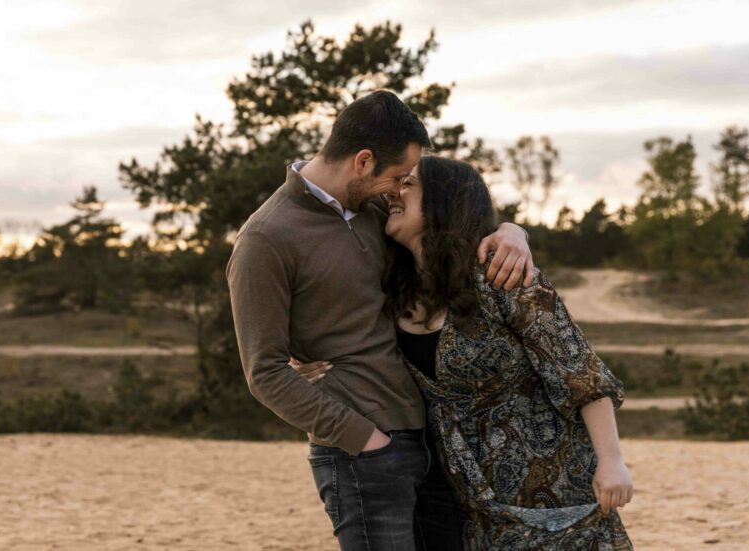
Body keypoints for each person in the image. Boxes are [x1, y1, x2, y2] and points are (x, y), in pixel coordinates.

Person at [226, 90, 533, 550]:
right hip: (363, 451)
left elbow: (453, 227)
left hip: (433, 438)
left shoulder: (376, 213)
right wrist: (364, 440)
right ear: (363, 162)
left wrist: (511, 231)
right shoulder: (266, 239)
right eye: (396, 176)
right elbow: (263, 371)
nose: (399, 189)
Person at [294, 156, 635, 549]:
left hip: (555, 493)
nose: (394, 192)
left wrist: (612, 461)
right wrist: (306, 360)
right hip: (471, 505)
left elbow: (579, 371)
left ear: (444, 200)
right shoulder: (393, 290)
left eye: (408, 184)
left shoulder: (499, 271)